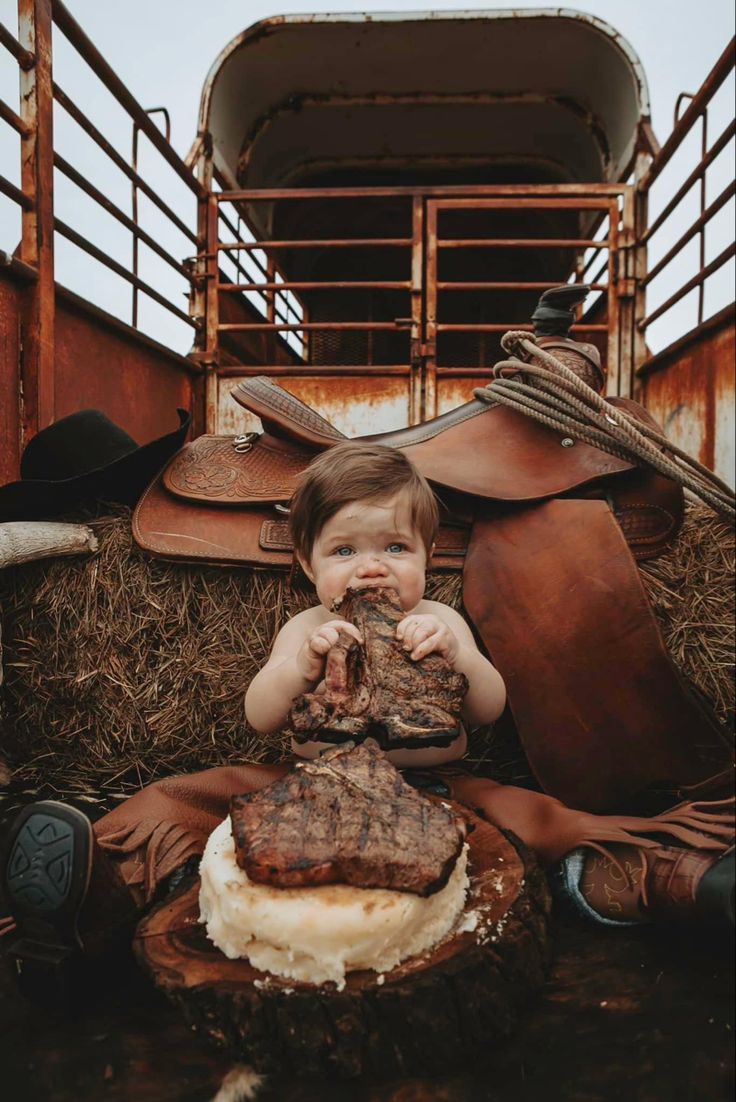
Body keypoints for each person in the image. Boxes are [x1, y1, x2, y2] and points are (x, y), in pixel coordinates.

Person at [1, 444, 733, 981]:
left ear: (427, 556)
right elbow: (261, 717)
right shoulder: (305, 628)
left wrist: (460, 654)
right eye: (344, 549)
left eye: (394, 547)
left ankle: (647, 882)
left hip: (435, 793)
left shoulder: (442, 620)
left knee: (536, 821)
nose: (371, 567)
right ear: (308, 565)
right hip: (304, 788)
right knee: (190, 799)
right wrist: (298, 665)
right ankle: (110, 883)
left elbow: (488, 706)